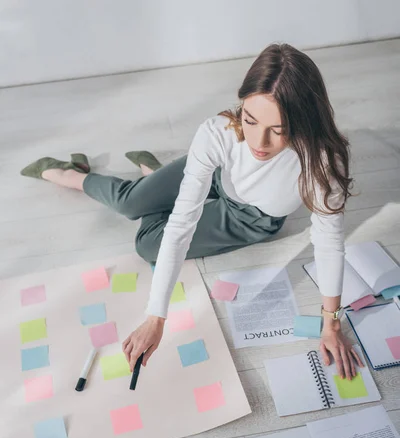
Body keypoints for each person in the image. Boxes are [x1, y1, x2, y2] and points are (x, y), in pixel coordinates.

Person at [21, 43, 363, 381]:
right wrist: (156, 316)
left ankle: (151, 177)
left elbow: (329, 242)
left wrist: (331, 323)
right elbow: (184, 220)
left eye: (279, 130)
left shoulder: (320, 164)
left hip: (251, 216)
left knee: (147, 244)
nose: (259, 142)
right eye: (251, 119)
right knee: (130, 204)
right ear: (242, 105)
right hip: (218, 173)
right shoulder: (221, 133)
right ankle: (72, 174)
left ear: (303, 122)